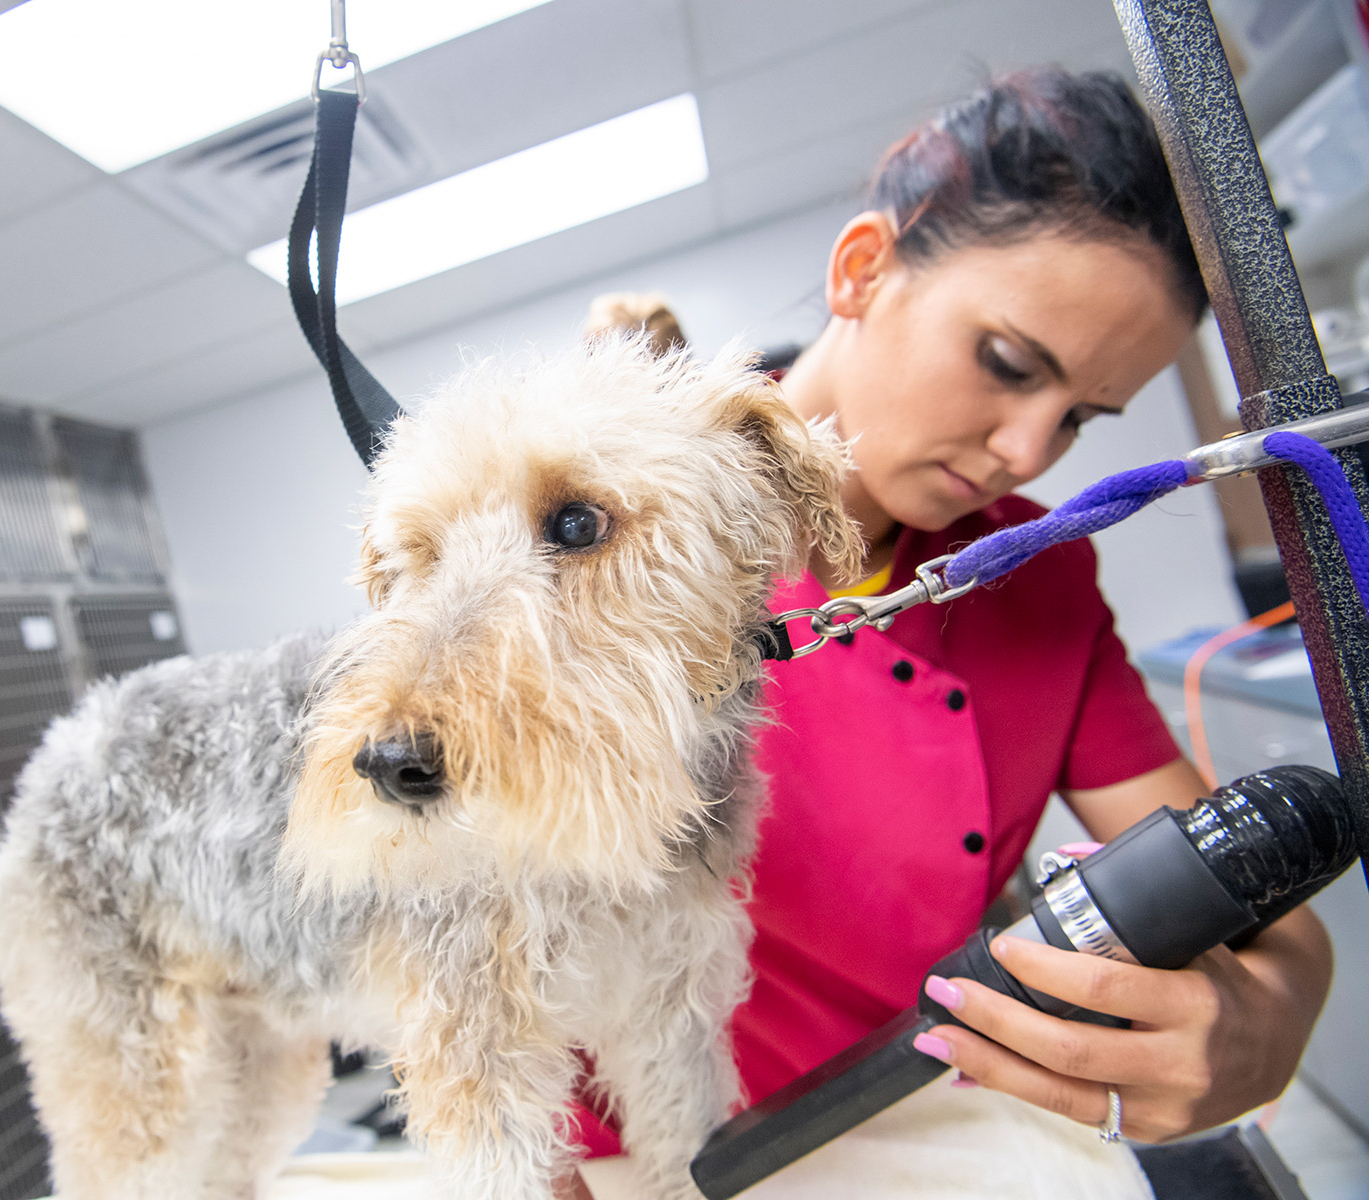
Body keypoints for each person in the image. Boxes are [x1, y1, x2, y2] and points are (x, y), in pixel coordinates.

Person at [566, 66, 1333, 1191]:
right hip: (623, 1165)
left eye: (1078, 416)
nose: (1028, 452)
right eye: (1010, 365)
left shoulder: (1035, 574)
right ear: (864, 269)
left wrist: (1271, 1018)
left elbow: (1256, 909)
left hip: (913, 1138)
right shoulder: (606, 533)